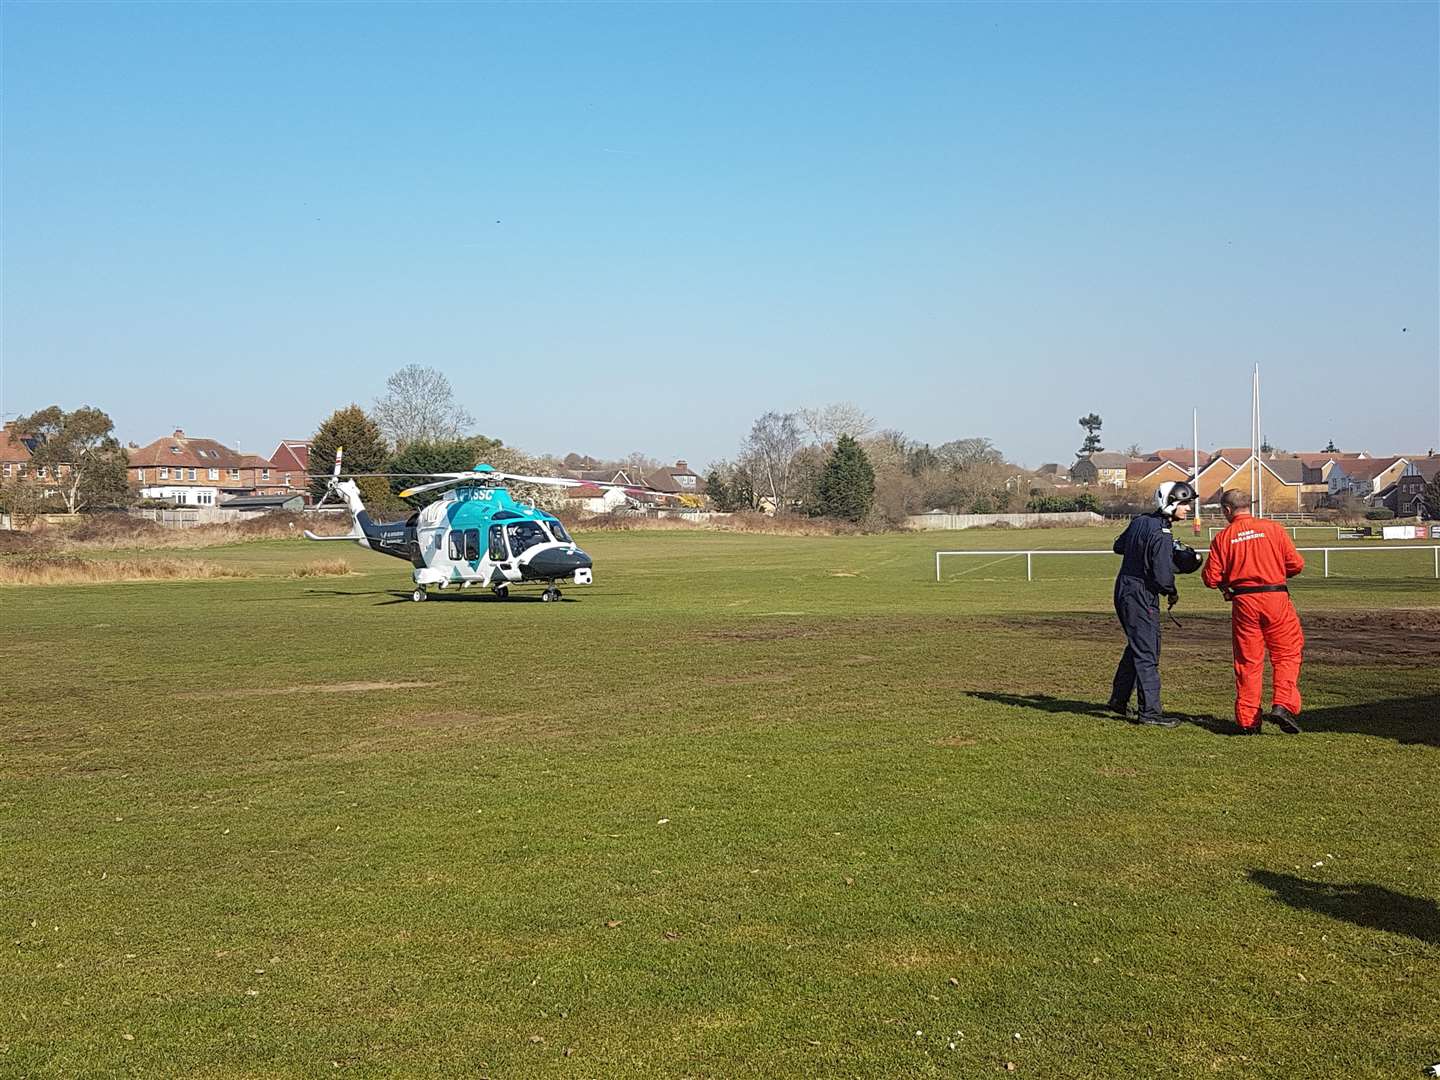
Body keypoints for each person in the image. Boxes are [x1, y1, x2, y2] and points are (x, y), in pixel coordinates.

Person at [1202, 489, 1305, 735]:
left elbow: (1210, 577)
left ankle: (1248, 720)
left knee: (1248, 660)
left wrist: (1231, 579)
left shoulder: (1223, 538)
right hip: (1276, 597)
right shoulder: (1274, 529)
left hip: (1244, 602)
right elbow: (1296, 564)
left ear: (1227, 510)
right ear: (1250, 505)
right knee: (1287, 652)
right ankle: (1283, 703)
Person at [1108, 480, 1197, 728]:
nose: (1188, 509)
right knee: (1148, 652)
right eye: (1185, 504)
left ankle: (1119, 699)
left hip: (1124, 588)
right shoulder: (1161, 534)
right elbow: (1162, 577)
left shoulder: (1140, 522)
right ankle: (1150, 713)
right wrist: (1172, 591)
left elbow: (1119, 546)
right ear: (1170, 503)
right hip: (1141, 595)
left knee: (1137, 645)